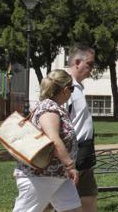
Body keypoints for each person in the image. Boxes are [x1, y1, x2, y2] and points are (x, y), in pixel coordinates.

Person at [12, 70, 81, 212]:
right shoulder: (49, 108)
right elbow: (53, 139)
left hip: (58, 174)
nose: (71, 92)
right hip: (41, 176)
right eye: (72, 88)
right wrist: (70, 166)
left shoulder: (54, 107)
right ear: (65, 89)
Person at [66, 44, 97, 212]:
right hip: (70, 156)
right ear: (77, 62)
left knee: (88, 198)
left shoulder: (76, 88)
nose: (92, 68)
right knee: (48, 203)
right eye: (90, 64)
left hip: (84, 156)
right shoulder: (65, 87)